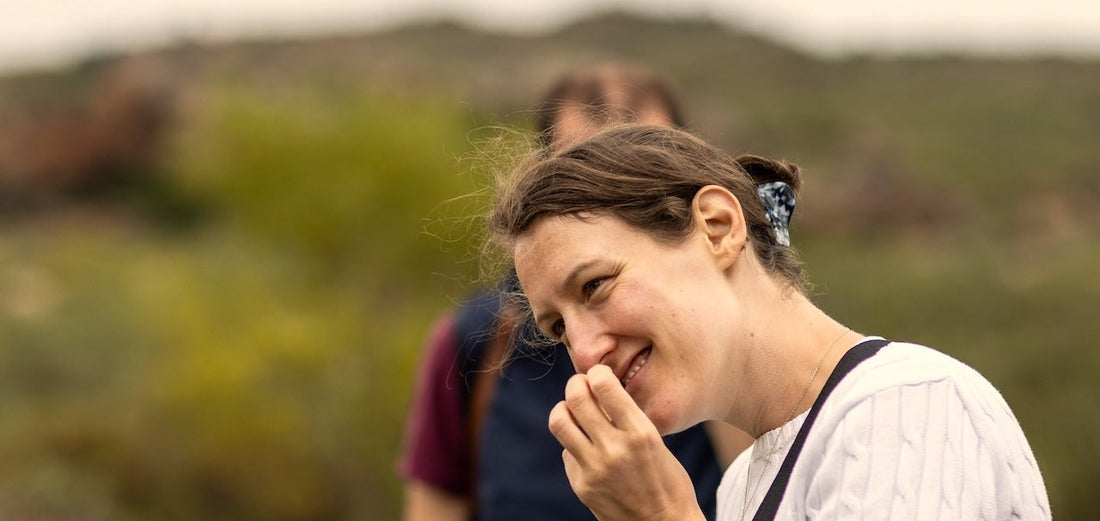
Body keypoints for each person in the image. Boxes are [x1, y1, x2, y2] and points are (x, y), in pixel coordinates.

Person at [486, 124, 1052, 521]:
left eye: (595, 286)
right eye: (558, 327)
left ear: (717, 227)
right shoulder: (741, 487)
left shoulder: (908, 408)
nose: (584, 353)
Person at [398, 64, 751, 521]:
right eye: (580, 168)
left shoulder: (750, 341)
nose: (613, 195)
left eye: (648, 167)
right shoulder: (475, 340)